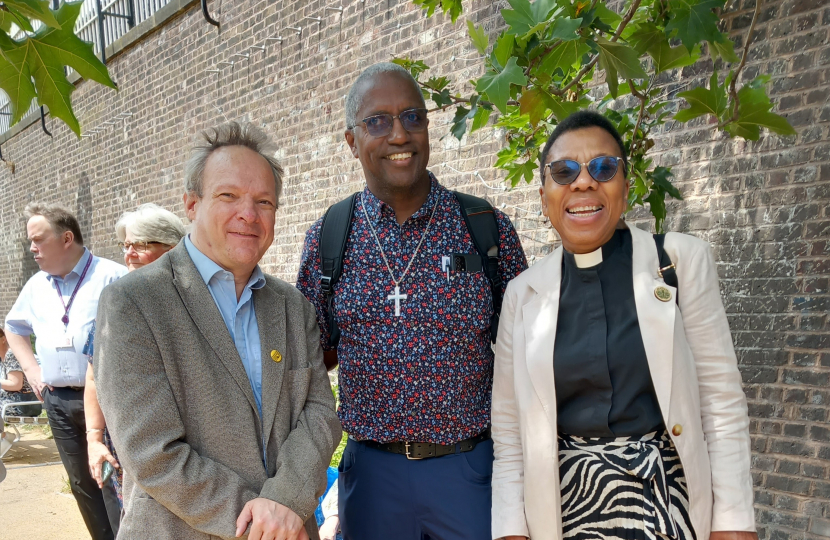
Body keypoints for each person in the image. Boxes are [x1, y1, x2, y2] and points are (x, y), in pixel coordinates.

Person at [490, 110, 757, 540]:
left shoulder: (679, 263)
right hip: (564, 509)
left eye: (603, 167)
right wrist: (510, 532)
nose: (583, 182)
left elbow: (721, 405)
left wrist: (734, 526)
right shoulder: (522, 296)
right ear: (544, 198)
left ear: (625, 189)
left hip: (669, 503)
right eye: (564, 171)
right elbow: (508, 434)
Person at [296, 62, 527, 540]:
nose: (399, 134)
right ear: (351, 141)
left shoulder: (485, 227)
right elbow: (311, 357)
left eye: (413, 117)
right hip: (373, 474)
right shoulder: (329, 237)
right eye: (377, 121)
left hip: (469, 471)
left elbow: (524, 353)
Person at [94, 122, 342, 540]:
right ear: (192, 203)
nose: (248, 214)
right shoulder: (133, 304)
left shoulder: (293, 308)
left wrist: (286, 501)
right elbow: (153, 454)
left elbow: (320, 415)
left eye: (264, 201)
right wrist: (264, 524)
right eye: (228, 195)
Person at [4, 203, 127, 540]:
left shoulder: (113, 277)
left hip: (105, 402)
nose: (31, 248)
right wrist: (31, 370)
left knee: (113, 480)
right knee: (81, 485)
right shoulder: (35, 286)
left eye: (38, 240)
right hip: (57, 402)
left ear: (66, 238)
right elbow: (13, 326)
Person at [83, 203, 186, 533]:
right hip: (130, 447)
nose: (129, 253)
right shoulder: (113, 303)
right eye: (125, 244)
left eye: (140, 244)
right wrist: (94, 438)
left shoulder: (197, 301)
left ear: (172, 247)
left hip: (186, 451)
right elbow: (94, 374)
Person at [1, 329, 42, 458]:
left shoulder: (11, 355)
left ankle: (3, 437)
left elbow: (16, 384)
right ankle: (4, 436)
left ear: (3, 338)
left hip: (23, 404)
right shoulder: (2, 356)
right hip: (13, 401)